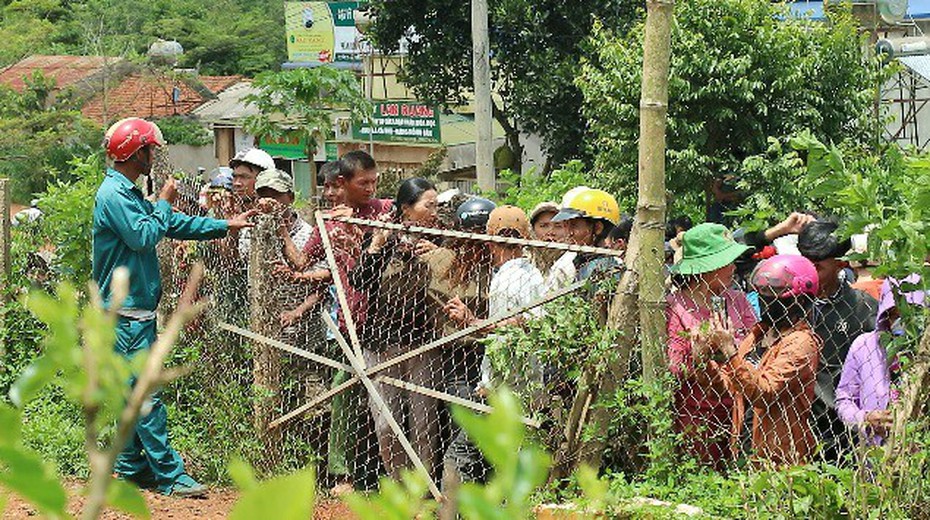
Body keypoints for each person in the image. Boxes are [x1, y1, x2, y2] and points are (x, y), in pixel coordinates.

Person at [93, 117, 254, 497]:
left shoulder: (126, 193)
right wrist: (163, 202)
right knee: (147, 395)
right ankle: (170, 475)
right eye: (150, 150)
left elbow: (170, 224)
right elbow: (145, 236)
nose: (154, 156)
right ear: (135, 152)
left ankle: (132, 467)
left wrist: (224, 225)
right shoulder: (114, 196)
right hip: (125, 316)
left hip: (133, 315)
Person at [441, 205, 545, 517]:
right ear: (525, 240)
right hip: (522, 384)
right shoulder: (529, 273)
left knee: (458, 457)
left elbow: (520, 324)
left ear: (489, 242)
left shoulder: (507, 278)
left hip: (506, 388)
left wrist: (471, 321)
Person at [349, 177, 440, 479]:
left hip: (422, 342)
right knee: (387, 423)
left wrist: (437, 253)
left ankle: (424, 489)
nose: (435, 211)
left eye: (437, 205)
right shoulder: (382, 238)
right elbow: (359, 282)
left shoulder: (439, 238)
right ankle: (399, 487)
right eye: (429, 205)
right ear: (406, 209)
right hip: (381, 342)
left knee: (424, 422)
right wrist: (376, 244)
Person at [699, 255, 821, 465]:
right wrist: (704, 359)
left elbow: (764, 393)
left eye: (773, 294)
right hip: (745, 449)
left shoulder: (801, 343)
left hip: (779, 461)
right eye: (762, 293)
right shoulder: (758, 335)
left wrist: (731, 354)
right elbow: (728, 389)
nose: (766, 301)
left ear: (799, 300)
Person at [666, 223, 758, 468]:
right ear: (708, 268)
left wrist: (730, 347)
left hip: (739, 409)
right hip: (696, 412)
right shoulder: (675, 307)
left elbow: (756, 346)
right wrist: (698, 357)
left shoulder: (737, 301)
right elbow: (673, 368)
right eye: (727, 262)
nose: (733, 267)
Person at [797, 219, 877, 463]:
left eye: (817, 267)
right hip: (798, 421)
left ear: (840, 264)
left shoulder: (863, 308)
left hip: (845, 428)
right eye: (805, 265)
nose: (809, 274)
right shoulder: (789, 306)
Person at [836, 275, 927, 446]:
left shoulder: (925, 355)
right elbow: (844, 399)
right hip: (875, 456)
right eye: (893, 315)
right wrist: (864, 418)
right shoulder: (865, 346)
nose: (900, 323)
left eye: (909, 315)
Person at [547, 187, 622, 290]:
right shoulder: (575, 261)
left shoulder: (606, 267)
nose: (569, 233)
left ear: (597, 228)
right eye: (566, 225)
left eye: (574, 225)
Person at [528, 201, 565, 276]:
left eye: (558, 226)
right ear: (533, 229)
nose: (551, 232)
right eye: (544, 226)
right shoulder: (525, 260)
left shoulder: (572, 260)